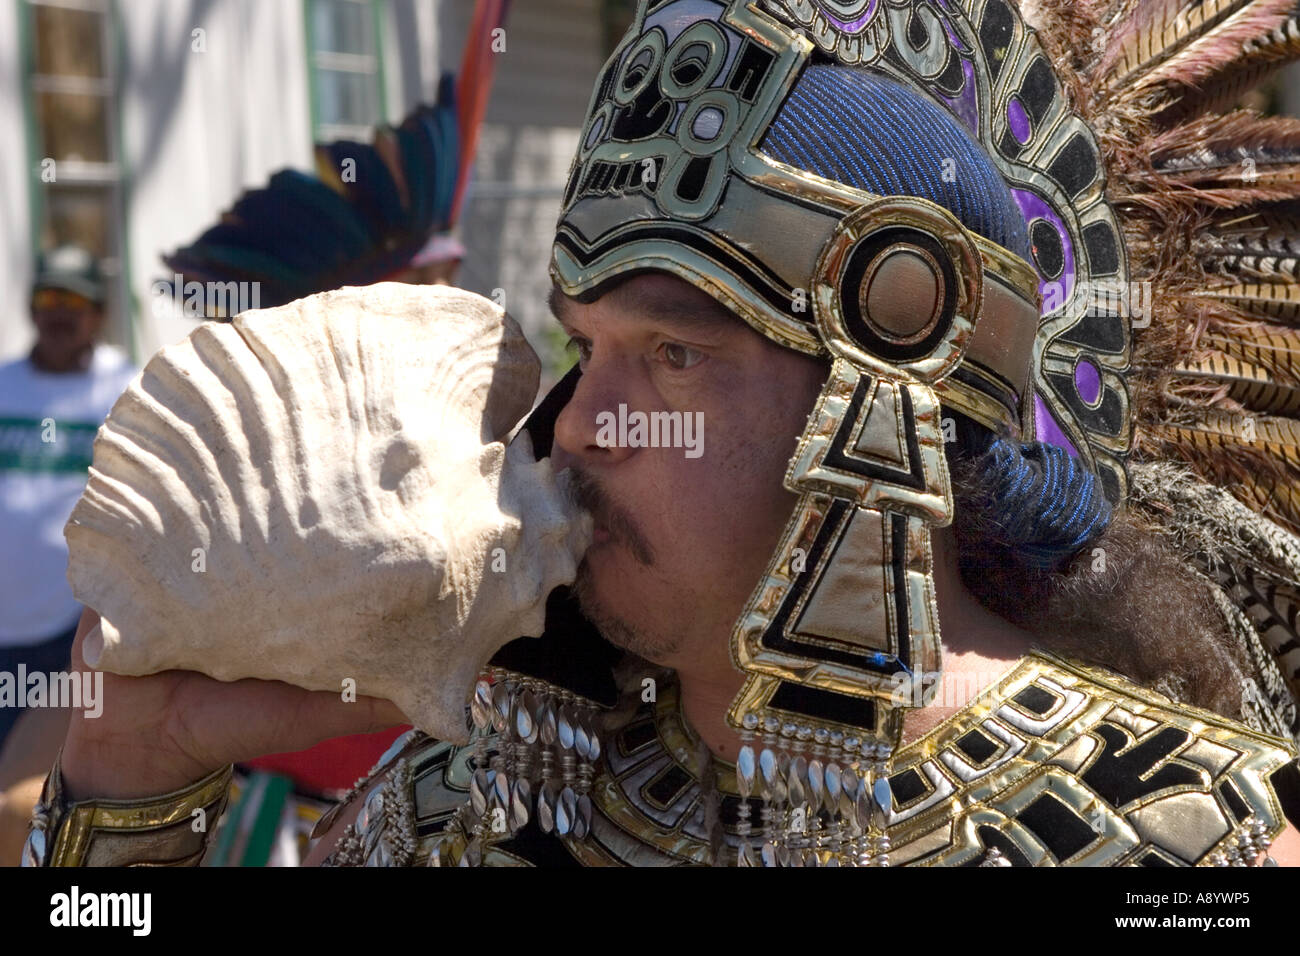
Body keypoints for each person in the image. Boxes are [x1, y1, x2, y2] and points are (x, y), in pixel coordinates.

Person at [24, 0, 1300, 867]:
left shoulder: (1201, 838)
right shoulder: (466, 803)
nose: (577, 419)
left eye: (674, 353)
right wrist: (129, 785)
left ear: (884, 395)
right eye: (583, 344)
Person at [0, 245, 136, 858]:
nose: (61, 314)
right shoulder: (4, 385)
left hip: (69, 635)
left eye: (75, 302)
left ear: (101, 313)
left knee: (24, 800)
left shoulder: (127, 388)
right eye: (50, 299)